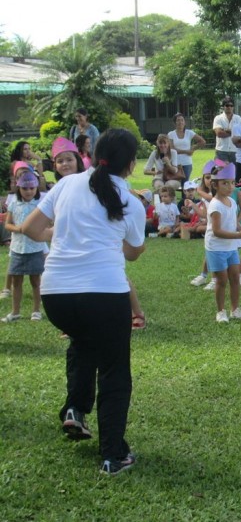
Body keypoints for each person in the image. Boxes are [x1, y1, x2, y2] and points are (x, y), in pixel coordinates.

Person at [21, 128, 146, 475]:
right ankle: (113, 455)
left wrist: (62, 232)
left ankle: (75, 409)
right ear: (131, 164)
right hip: (104, 295)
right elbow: (134, 253)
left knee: (84, 341)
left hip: (56, 296)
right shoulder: (131, 201)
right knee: (114, 371)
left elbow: (31, 229)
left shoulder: (66, 185)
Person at [206, 163, 241, 323]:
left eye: (232, 182)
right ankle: (220, 311)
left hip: (231, 247)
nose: (230, 186)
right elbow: (217, 231)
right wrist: (238, 235)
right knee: (222, 280)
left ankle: (235, 309)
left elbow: (232, 221)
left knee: (235, 278)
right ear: (215, 185)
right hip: (216, 247)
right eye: (225, 183)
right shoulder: (215, 205)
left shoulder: (231, 201)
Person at [1, 172, 47, 323]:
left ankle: (36, 310)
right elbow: (8, 224)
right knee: (16, 282)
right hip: (18, 248)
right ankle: (15, 312)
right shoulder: (14, 204)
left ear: (36, 188)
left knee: (36, 281)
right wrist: (19, 229)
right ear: (19, 188)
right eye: (25, 188)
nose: (28, 191)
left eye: (32, 188)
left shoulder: (40, 205)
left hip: (35, 248)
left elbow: (47, 223)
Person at [168, 113, 206, 182]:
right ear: (175, 123)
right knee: (174, 184)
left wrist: (193, 148)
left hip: (187, 163)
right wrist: (186, 151)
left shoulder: (189, 133)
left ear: (184, 122)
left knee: (185, 185)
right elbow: (172, 149)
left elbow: (202, 141)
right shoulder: (171, 134)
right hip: (175, 164)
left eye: (182, 120)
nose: (180, 122)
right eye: (178, 120)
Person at [213, 96, 241, 164]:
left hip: (235, 151)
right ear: (223, 106)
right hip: (221, 151)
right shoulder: (218, 118)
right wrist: (234, 132)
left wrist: (227, 130)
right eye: (227, 105)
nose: (229, 107)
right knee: (220, 170)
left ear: (233, 107)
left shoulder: (238, 118)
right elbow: (219, 134)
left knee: (235, 170)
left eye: (231, 105)